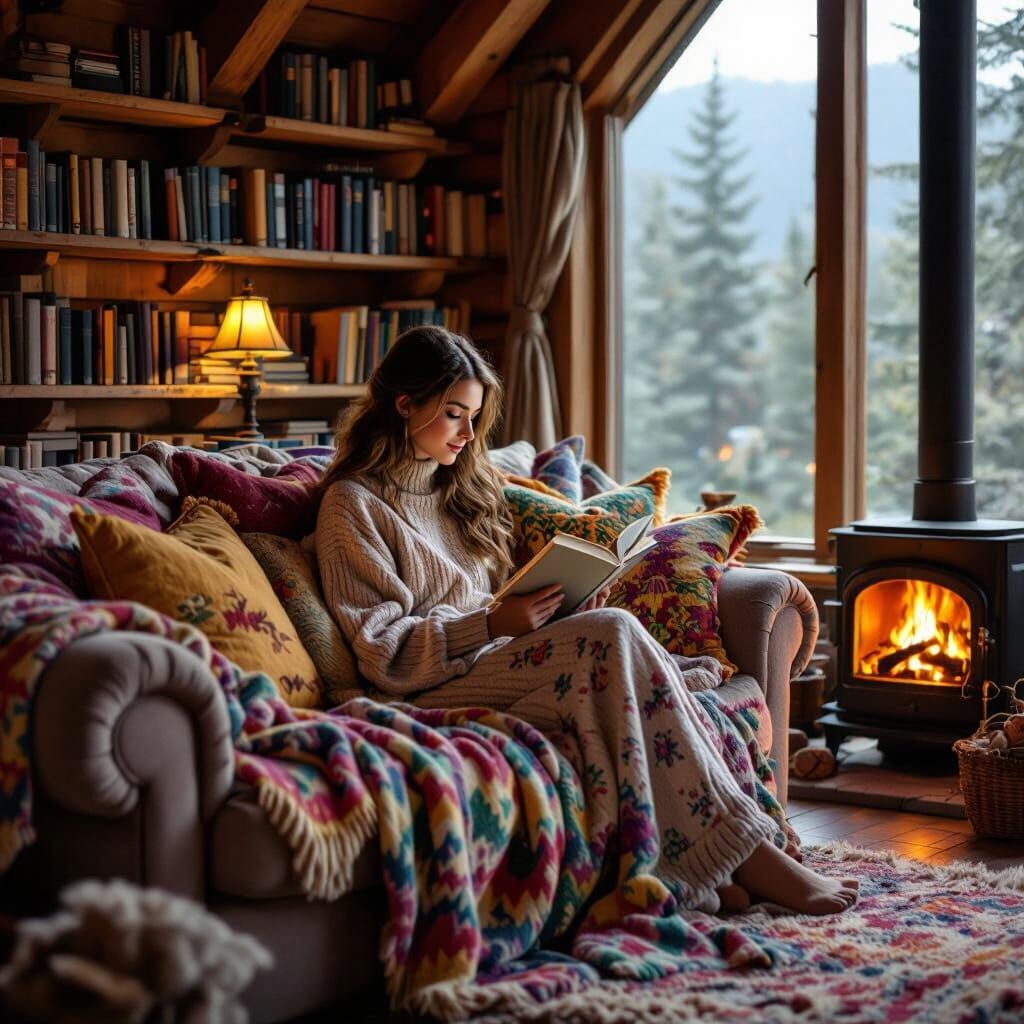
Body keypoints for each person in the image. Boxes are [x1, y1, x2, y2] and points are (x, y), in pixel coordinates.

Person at [315, 325, 858, 916]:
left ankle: (706, 864)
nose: (469, 434)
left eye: (474, 417)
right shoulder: (354, 504)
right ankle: (748, 853)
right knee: (617, 635)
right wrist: (495, 625)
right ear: (404, 405)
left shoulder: (456, 490)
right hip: (425, 685)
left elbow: (488, 604)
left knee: (613, 639)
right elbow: (383, 652)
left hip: (494, 658)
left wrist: (549, 608)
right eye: (454, 415)